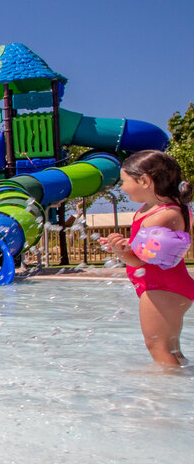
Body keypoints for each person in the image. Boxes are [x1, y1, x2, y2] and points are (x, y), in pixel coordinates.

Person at [99, 150, 193, 366]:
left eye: (124, 181)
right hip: (167, 286)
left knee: (158, 348)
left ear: (144, 181)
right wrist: (122, 244)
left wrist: (122, 253)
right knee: (171, 349)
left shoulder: (163, 215)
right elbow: (151, 249)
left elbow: (141, 260)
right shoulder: (159, 209)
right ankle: (183, 386)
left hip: (163, 289)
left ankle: (165, 394)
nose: (121, 187)